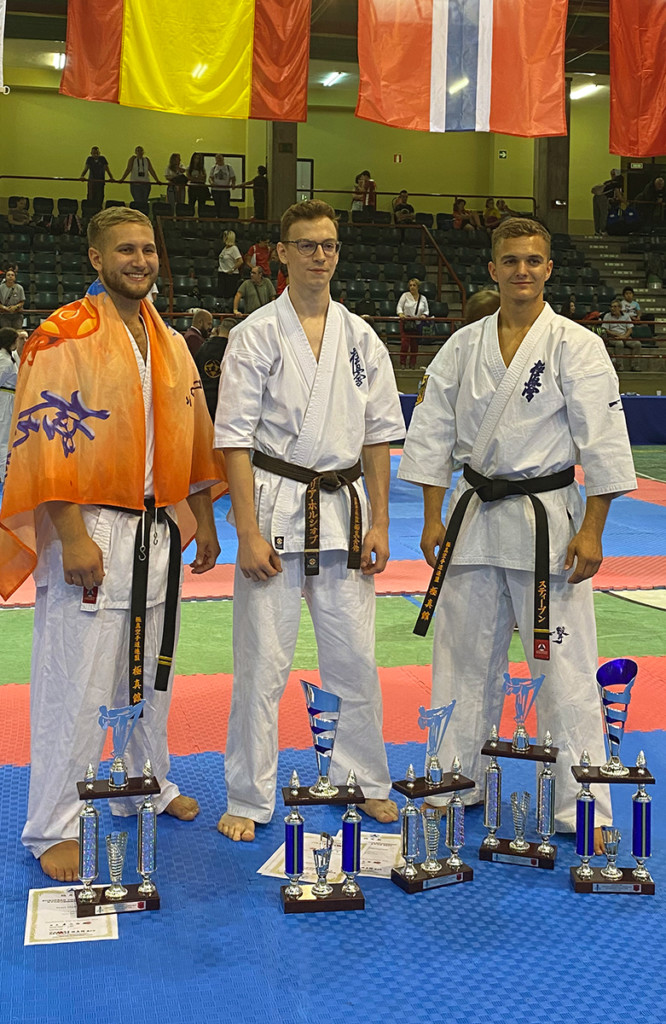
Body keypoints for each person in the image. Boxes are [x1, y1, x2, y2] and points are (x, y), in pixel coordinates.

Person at [0, 206, 226, 882]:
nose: (140, 260)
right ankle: (53, 825)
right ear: (96, 259)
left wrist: (205, 518)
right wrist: (71, 535)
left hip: (157, 526)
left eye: (148, 249)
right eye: (125, 250)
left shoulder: (170, 339)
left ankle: (144, 783)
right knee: (75, 680)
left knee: (151, 668)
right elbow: (44, 440)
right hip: (92, 524)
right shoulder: (62, 334)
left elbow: (193, 435)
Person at [397, 217, 637, 852]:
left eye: (533, 260)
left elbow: (604, 445)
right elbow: (430, 435)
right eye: (511, 260)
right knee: (461, 662)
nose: (522, 270)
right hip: (474, 520)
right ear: (493, 269)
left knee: (564, 669)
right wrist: (432, 516)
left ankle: (583, 808)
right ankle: (454, 786)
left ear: (548, 269)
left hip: (547, 524)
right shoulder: (462, 346)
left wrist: (593, 530)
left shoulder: (578, 345)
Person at [215, 198, 405, 841]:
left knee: (355, 658)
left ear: (337, 253)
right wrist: (245, 530)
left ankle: (365, 780)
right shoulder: (255, 333)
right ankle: (248, 795)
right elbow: (234, 439)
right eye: (306, 245)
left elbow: (378, 436)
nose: (319, 255)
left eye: (328, 245)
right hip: (274, 505)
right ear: (282, 254)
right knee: (261, 664)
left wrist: (381, 522)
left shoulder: (362, 337)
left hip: (345, 510)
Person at [194, 317, 234, 421]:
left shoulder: (203, 347)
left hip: (204, 400)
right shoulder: (232, 350)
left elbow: (195, 372)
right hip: (224, 401)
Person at [396, 277, 429, 369]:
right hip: (406, 323)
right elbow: (399, 306)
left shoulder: (423, 298)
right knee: (405, 344)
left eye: (414, 285)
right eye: (410, 285)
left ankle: (412, 364)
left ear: (418, 287)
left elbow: (426, 310)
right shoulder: (405, 295)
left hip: (417, 323)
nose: (412, 287)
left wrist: (424, 315)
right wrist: (401, 314)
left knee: (414, 345)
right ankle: (402, 363)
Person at [0, 327, 18, 482]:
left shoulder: (7, 357)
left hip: (7, 397)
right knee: (3, 440)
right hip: (5, 399)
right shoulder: (4, 361)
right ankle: (2, 477)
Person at [602, 297, 641, 369]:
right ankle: (619, 365)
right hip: (613, 337)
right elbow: (606, 330)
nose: (612, 308)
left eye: (615, 307)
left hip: (625, 336)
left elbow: (630, 329)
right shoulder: (607, 316)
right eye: (611, 307)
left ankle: (635, 366)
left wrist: (625, 336)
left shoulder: (626, 316)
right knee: (619, 343)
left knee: (637, 344)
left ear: (620, 308)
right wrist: (617, 335)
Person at [591, 169, 624, 236]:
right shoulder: (616, 183)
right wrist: (625, 202)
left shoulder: (607, 182)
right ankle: (603, 230)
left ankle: (597, 231)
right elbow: (618, 195)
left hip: (596, 197)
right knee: (603, 214)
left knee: (597, 214)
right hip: (603, 199)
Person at [218, 230, 243, 303]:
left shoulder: (234, 249)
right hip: (222, 273)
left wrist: (232, 269)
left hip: (230, 275)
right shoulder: (225, 248)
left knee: (228, 295)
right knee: (220, 293)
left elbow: (240, 261)